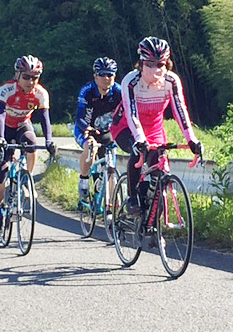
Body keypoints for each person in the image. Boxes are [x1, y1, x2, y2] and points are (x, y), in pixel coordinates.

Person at [110, 36, 202, 215]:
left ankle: (151, 223)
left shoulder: (171, 81)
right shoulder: (131, 81)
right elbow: (131, 113)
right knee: (139, 153)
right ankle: (133, 197)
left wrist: (192, 139)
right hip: (125, 127)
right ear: (141, 63)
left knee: (158, 168)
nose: (155, 69)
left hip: (154, 128)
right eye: (150, 64)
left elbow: (180, 111)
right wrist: (139, 139)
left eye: (160, 64)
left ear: (167, 64)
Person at [0, 54, 56, 237]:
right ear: (17, 75)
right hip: (4, 126)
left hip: (21, 125)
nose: (30, 81)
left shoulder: (41, 94)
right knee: (1, 171)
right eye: (26, 76)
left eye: (35, 77)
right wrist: (1, 138)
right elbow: (1, 115)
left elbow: (44, 119)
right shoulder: (6, 90)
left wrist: (49, 141)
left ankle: (26, 179)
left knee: (31, 143)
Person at [74, 57, 122, 200]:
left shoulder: (119, 91)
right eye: (102, 74)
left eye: (110, 74)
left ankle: (113, 206)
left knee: (111, 168)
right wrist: (87, 128)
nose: (106, 78)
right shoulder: (87, 91)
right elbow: (79, 117)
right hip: (86, 129)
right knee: (90, 147)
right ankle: (83, 179)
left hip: (106, 131)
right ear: (95, 76)